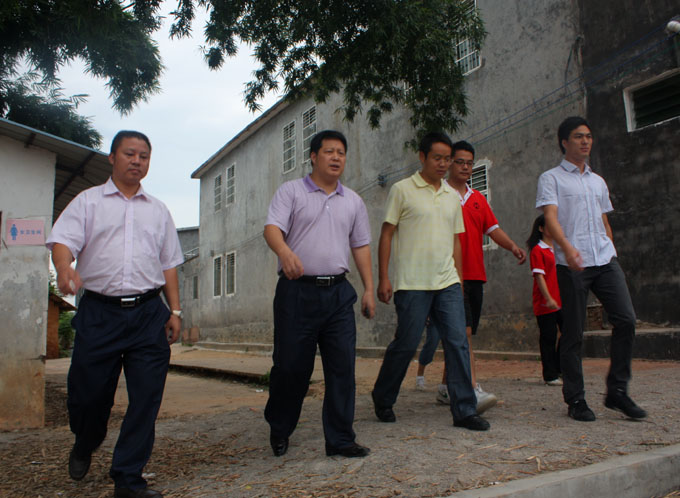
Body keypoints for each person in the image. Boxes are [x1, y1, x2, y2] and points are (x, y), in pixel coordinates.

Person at [46, 130, 184, 498]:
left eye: (143, 156)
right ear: (112, 157)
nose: (137, 161)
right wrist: (64, 267)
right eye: (129, 154)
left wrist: (175, 310)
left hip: (148, 314)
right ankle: (86, 440)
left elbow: (169, 264)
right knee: (87, 396)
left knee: (146, 398)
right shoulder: (88, 202)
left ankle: (128, 478)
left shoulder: (158, 211)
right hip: (99, 313)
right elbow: (63, 243)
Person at [263, 129, 375, 458]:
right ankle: (280, 426)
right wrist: (284, 252)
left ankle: (340, 439)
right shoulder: (291, 192)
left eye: (341, 152)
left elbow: (360, 245)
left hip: (338, 294)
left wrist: (369, 288)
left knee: (342, 368)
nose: (336, 157)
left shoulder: (353, 201)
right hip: (297, 293)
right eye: (329, 151)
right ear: (313, 157)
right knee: (291, 368)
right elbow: (272, 229)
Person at [372, 132, 489, 431]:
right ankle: (383, 397)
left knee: (458, 343)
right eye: (437, 158)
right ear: (422, 157)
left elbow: (456, 240)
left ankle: (464, 410)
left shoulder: (451, 196)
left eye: (447, 159)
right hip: (412, 283)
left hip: (447, 282)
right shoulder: (402, 190)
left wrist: (459, 279)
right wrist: (384, 277)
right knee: (407, 342)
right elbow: (386, 234)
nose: (443, 164)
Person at [536, 116, 646, 422]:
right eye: (578, 136)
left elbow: (603, 219)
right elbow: (551, 218)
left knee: (626, 320)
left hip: (605, 259)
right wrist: (567, 248)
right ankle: (576, 399)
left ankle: (617, 391)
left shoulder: (598, 181)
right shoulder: (551, 178)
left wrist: (612, 248)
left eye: (588, 136)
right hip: (571, 264)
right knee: (573, 332)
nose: (585, 141)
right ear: (564, 142)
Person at [416, 140, 526, 414]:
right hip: (449, 275)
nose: (465, 167)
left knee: (462, 335)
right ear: (449, 163)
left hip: (475, 275)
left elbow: (493, 229)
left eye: (469, 163)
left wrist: (512, 246)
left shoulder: (478, 199)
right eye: (460, 162)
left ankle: (445, 388)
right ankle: (470, 389)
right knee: (462, 334)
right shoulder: (439, 194)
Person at [527, 214, 562, 386]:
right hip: (545, 301)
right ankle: (550, 374)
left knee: (569, 332)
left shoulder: (559, 249)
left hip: (561, 299)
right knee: (548, 337)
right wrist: (548, 298)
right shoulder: (538, 250)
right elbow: (539, 277)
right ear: (541, 229)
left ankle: (560, 367)